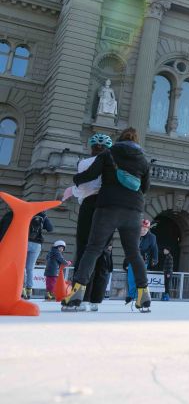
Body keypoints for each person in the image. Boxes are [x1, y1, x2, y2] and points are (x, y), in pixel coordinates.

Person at [62, 127, 152, 312]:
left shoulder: (108, 153)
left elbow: (91, 175)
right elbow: (145, 188)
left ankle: (78, 291)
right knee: (134, 253)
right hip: (133, 211)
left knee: (93, 249)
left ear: (119, 139)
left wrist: (75, 178)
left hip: (108, 208)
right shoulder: (143, 160)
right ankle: (143, 294)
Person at [66, 133, 114, 308]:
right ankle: (96, 300)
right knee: (103, 251)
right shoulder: (113, 163)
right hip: (108, 206)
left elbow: (80, 188)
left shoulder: (84, 163)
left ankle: (80, 296)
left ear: (92, 147)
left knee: (85, 249)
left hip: (89, 205)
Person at [124, 219, 158, 304]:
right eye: (141, 229)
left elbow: (154, 248)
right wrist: (126, 261)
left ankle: (141, 297)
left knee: (141, 279)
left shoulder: (152, 237)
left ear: (148, 229)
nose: (143, 231)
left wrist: (155, 258)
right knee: (131, 279)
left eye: (145, 229)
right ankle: (131, 295)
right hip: (132, 260)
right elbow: (129, 249)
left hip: (143, 261)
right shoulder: (134, 235)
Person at [23, 208, 53, 299]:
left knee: (22, 267)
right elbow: (50, 229)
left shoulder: (28, 213)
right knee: (30, 268)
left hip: (25, 242)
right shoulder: (43, 216)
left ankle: (21, 288)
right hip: (37, 244)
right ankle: (29, 290)